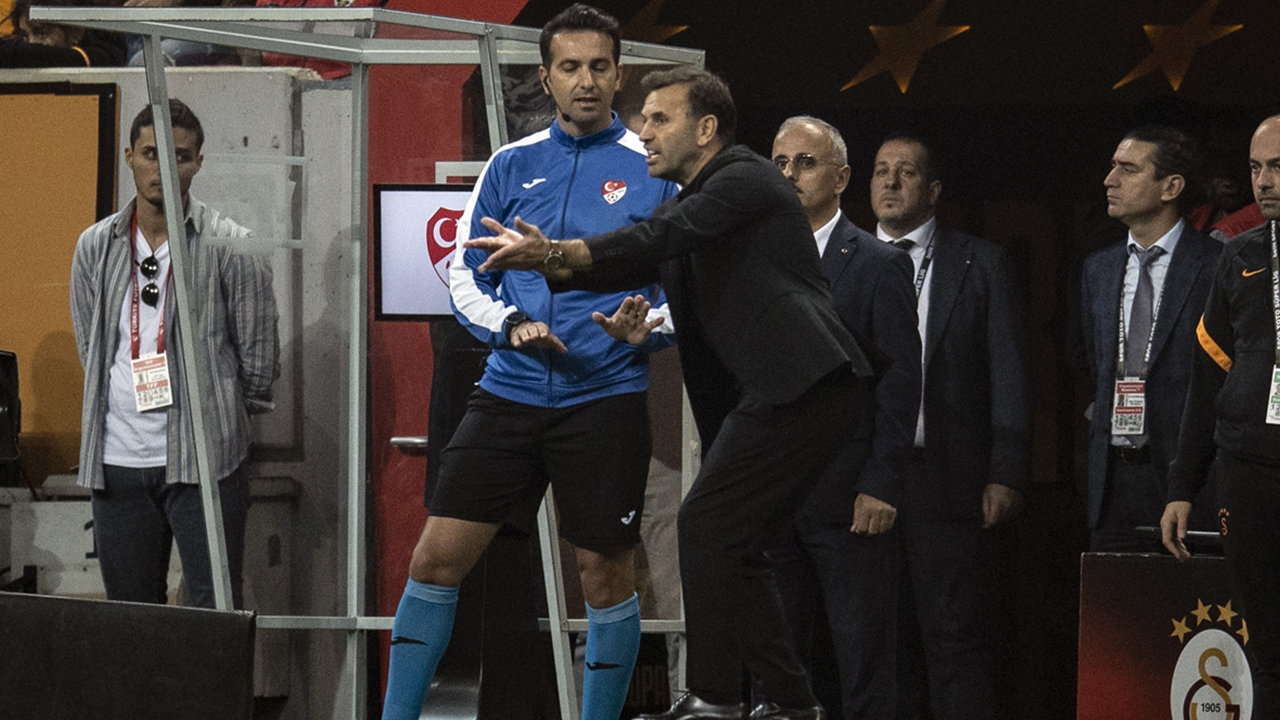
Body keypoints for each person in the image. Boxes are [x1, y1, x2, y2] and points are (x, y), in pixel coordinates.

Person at [470, 66, 874, 720]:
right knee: (733, 542)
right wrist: (635, 320)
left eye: (660, 119)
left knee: (708, 524)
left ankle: (718, 697)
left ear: (707, 128)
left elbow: (655, 239)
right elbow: (646, 256)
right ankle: (787, 702)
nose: (644, 132)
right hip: (788, 395)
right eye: (643, 119)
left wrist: (554, 254)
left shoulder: (745, 177)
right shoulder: (693, 202)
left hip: (805, 386)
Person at [379, 6, 679, 720]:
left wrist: (648, 330)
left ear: (620, 74)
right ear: (546, 78)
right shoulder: (510, 163)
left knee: (604, 575)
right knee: (435, 562)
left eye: (599, 66)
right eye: (570, 67)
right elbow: (462, 273)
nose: (586, 81)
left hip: (604, 398)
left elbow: (686, 293)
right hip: (507, 394)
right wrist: (509, 323)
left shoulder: (655, 171)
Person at [70, 98, 279, 609]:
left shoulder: (230, 245)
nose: (163, 167)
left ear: (198, 163)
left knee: (214, 612)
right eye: (150, 153)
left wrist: (218, 417)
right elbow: (91, 349)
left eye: (179, 156)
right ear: (129, 156)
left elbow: (258, 363)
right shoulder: (96, 245)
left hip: (206, 461)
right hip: (117, 459)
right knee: (132, 617)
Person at [761, 116, 920, 720]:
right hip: (773, 494)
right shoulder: (756, 257)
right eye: (779, 163)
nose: (789, 175)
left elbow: (900, 382)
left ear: (842, 177)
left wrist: (881, 481)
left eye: (805, 163)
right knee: (776, 664)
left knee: (863, 662)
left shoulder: (878, 263)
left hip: (849, 495)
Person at [866, 132, 1029, 720]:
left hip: (947, 477)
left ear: (933, 190)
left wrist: (1006, 471)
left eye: (906, 172)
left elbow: (1009, 370)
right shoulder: (845, 258)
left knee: (954, 635)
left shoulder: (979, 261)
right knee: (878, 644)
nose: (890, 181)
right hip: (863, 481)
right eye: (880, 170)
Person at [1162, 114, 1280, 718]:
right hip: (1248, 471)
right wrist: (1183, 485)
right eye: (1256, 168)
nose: (1264, 181)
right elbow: (1207, 379)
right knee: (1268, 648)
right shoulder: (1238, 255)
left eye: (1277, 167)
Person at [1080, 126, 1221, 552]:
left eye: (1128, 169)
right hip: (1112, 477)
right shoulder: (1098, 269)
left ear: (1171, 187)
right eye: (1112, 167)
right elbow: (1093, 363)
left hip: (1190, 482)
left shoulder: (1216, 265)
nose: (1109, 180)